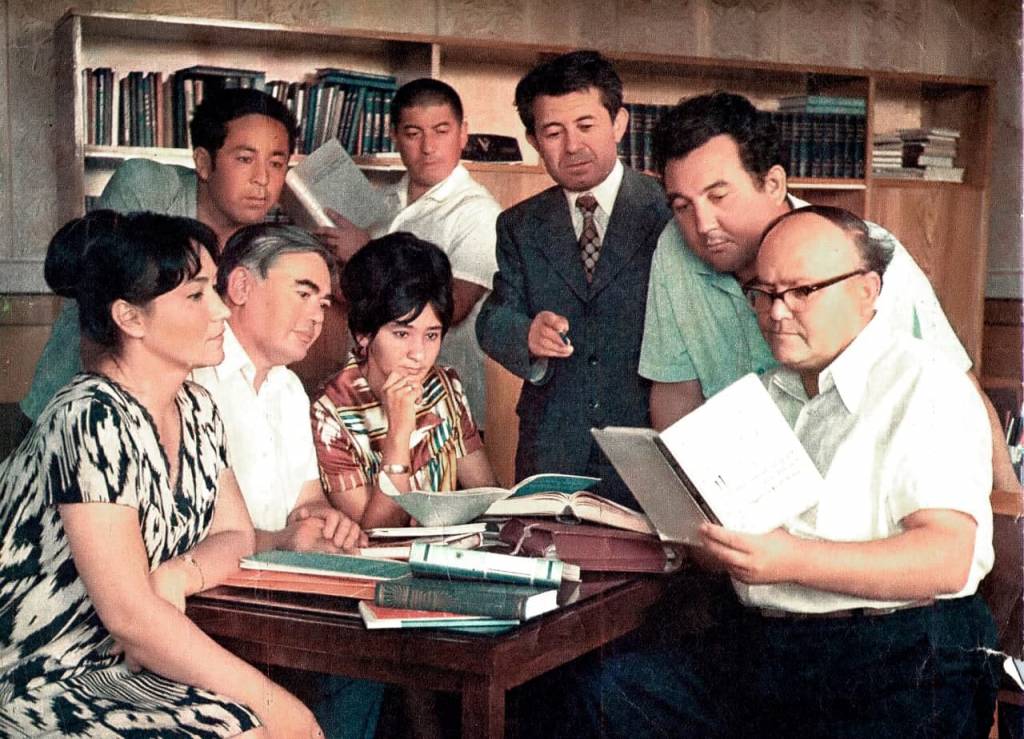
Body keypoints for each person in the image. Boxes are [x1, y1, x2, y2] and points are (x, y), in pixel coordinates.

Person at [578, 206, 998, 737]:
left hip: (900, 653)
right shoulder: (765, 394)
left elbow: (947, 559)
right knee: (609, 693)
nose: (777, 313)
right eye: (765, 293)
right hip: (768, 647)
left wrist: (788, 560)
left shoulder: (925, 384)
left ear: (868, 290)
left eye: (802, 291)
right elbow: (744, 554)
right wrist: (712, 543)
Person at [0, 211, 320, 737]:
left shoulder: (197, 408)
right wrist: (275, 702)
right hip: (30, 674)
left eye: (214, 289)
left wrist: (181, 573)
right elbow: (131, 617)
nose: (221, 309)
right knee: (261, 724)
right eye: (196, 295)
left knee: (251, 725)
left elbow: (235, 532)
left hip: (111, 668)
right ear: (131, 318)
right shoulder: (89, 415)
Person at [639, 90, 1019, 491]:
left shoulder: (856, 251)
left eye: (718, 197)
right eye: (682, 206)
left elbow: (955, 384)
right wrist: (686, 499)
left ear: (773, 183)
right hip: (742, 493)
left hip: (859, 495)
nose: (702, 225)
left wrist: (1009, 500)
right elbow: (675, 392)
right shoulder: (675, 247)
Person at [191, 223, 380, 739]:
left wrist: (328, 523)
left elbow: (307, 503)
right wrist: (285, 540)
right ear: (241, 286)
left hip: (278, 596)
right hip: (211, 606)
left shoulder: (287, 388)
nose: (317, 316)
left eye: (324, 301)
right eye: (303, 293)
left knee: (370, 656)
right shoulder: (192, 380)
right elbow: (183, 536)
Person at [20, 87, 297, 424]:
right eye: (244, 159)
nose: (263, 179)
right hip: (74, 408)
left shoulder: (265, 247)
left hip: (178, 417)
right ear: (203, 162)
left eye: (276, 163)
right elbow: (102, 318)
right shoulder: (149, 187)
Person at [474, 50, 671, 507]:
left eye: (586, 125)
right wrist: (526, 333)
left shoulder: (667, 210)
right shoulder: (519, 224)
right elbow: (493, 318)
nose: (573, 146)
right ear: (533, 140)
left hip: (649, 443)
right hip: (551, 443)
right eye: (553, 132)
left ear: (619, 123)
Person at [315, 78, 501, 428]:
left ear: (463, 133)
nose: (428, 147)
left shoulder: (478, 212)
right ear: (394, 136)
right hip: (365, 399)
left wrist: (364, 255)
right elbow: (357, 299)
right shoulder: (383, 201)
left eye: (441, 131)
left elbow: (452, 308)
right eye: (413, 133)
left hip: (439, 408)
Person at [312, 232, 496, 530]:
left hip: (447, 551)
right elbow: (375, 532)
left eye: (431, 335)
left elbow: (486, 497)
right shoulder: (330, 412)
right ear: (363, 334)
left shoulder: (444, 387)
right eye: (401, 334)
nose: (419, 354)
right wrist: (399, 433)